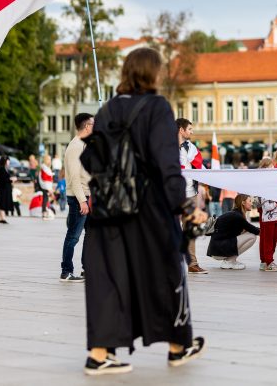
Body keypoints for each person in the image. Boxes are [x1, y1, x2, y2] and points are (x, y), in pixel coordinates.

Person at [81, 47, 207, 375]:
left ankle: (99, 353)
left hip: (109, 207)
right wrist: (184, 205)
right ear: (152, 73)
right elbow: (166, 162)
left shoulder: (107, 109)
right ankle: (178, 346)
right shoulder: (157, 107)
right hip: (148, 207)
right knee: (165, 270)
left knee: (109, 277)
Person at [61, 112, 94, 283]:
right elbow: (74, 178)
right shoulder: (75, 147)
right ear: (87, 126)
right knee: (73, 235)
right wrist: (82, 200)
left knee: (90, 234)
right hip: (77, 198)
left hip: (88, 195)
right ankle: (66, 271)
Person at [177, 118, 207, 274]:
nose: (192, 131)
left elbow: (200, 166)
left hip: (190, 194)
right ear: (181, 130)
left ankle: (192, 263)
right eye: (189, 128)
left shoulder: (192, 148)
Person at [207, 193, 259, 269]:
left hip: (217, 248)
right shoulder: (237, 216)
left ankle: (230, 260)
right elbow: (255, 231)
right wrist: (275, 238)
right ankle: (229, 261)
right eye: (250, 201)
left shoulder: (235, 214)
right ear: (243, 203)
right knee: (252, 237)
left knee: (250, 233)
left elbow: (251, 229)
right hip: (219, 249)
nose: (252, 203)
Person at [256, 158, 277, 272]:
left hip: (272, 217)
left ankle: (264, 261)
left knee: (267, 239)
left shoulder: (265, 185)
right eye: (270, 167)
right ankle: (269, 262)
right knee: (269, 241)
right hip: (269, 217)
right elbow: (266, 206)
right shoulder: (264, 186)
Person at [0, 155, 13, 224]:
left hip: (4, 188)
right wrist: (11, 180)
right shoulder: (1, 169)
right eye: (8, 160)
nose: (9, 162)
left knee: (1, 202)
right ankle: (3, 217)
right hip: (2, 188)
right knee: (2, 202)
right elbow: (3, 179)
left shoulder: (4, 168)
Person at [38, 155, 55, 220]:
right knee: (45, 199)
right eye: (49, 159)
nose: (50, 161)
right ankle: (44, 213)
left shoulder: (46, 167)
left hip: (47, 186)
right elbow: (45, 178)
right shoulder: (44, 167)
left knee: (46, 199)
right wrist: (49, 188)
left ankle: (45, 212)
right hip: (46, 186)